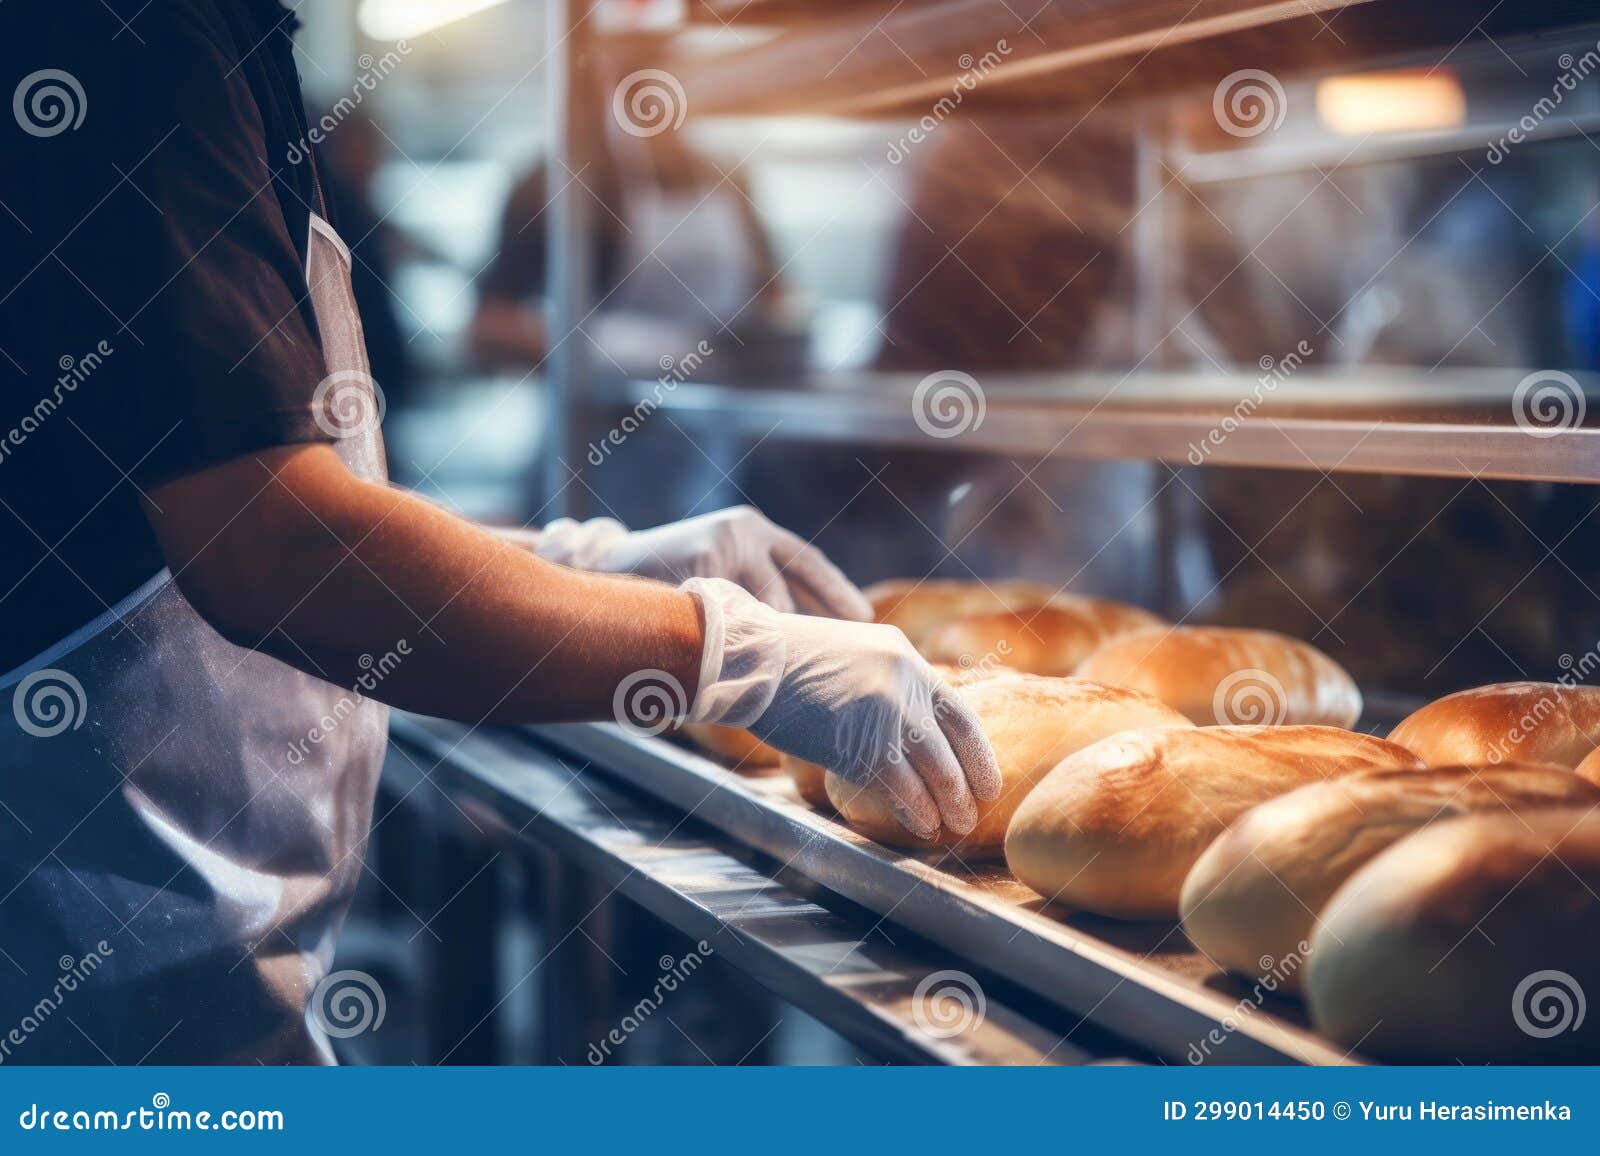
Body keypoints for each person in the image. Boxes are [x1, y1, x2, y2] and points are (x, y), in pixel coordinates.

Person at [0, 0, 996, 1064]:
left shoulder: (209, 39)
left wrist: (582, 566)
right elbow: (270, 548)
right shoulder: (135, 33)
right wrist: (722, 651)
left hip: (168, 941)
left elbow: (219, 490)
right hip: (89, 953)